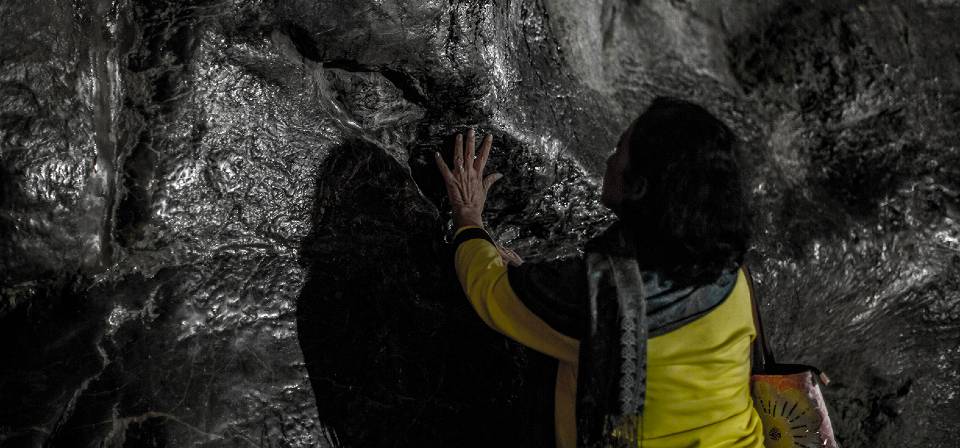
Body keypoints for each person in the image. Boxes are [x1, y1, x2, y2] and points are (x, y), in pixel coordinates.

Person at [434, 97, 764, 448]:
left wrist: (468, 217)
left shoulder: (596, 300)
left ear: (639, 187)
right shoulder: (729, 269)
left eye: (620, 149)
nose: (609, 158)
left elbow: (491, 291)